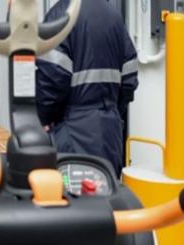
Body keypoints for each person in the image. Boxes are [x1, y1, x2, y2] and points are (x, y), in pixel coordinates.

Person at [36, 0, 139, 175]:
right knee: (106, 194)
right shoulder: (114, 16)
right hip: (110, 134)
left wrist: (43, 119)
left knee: (74, 197)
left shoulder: (61, 16)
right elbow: (129, 78)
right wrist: (112, 112)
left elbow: (52, 79)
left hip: (72, 133)